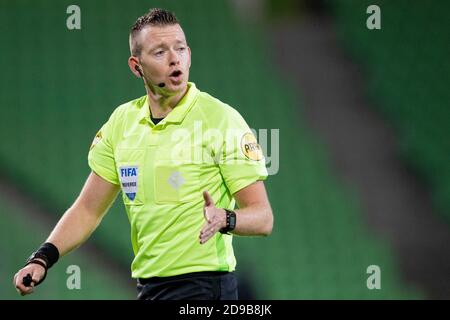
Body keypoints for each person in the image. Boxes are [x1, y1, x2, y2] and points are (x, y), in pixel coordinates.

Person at [13, 8, 273, 300]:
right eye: (160, 52)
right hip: (149, 289)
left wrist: (226, 218)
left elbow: (263, 218)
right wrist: (42, 258)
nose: (175, 58)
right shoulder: (122, 123)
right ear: (136, 67)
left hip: (205, 288)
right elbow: (88, 209)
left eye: (180, 48)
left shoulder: (221, 119)